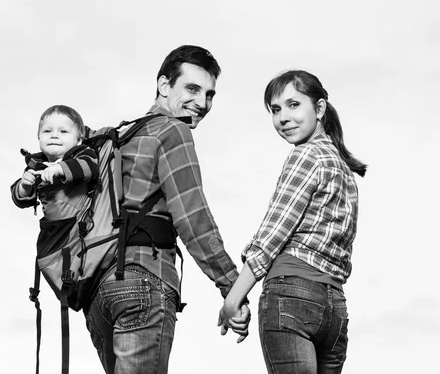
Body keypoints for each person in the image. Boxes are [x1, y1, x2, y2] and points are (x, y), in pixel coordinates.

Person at [83, 45, 250, 374]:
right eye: (191, 89)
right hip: (143, 283)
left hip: (99, 296)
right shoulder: (171, 130)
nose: (201, 103)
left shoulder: (117, 138)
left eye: (209, 94)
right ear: (163, 86)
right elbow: (192, 218)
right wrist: (233, 287)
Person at [219, 70, 367, 373]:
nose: (283, 117)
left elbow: (272, 235)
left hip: (292, 297)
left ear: (320, 108)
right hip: (335, 310)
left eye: (294, 105)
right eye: (275, 110)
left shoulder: (306, 156)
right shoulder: (343, 170)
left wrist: (233, 299)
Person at [10, 104, 98, 222]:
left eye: (63, 131)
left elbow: (90, 167)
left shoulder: (82, 153)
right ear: (38, 137)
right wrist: (24, 187)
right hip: (52, 229)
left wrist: (59, 169)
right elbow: (20, 201)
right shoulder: (35, 166)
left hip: (82, 224)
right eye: (47, 131)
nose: (54, 135)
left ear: (78, 140)